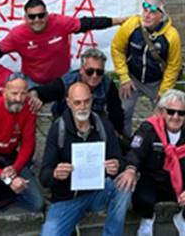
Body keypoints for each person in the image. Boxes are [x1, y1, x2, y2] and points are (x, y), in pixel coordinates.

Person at [116, 89, 185, 236]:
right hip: (154, 181)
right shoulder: (148, 128)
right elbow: (135, 152)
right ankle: (147, 219)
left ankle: (184, 219)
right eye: (171, 112)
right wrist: (131, 169)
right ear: (162, 112)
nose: (175, 117)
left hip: (183, 182)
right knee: (139, 196)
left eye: (181, 113)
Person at [39, 82, 132, 236]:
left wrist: (117, 165)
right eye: (77, 102)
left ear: (92, 100)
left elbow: (119, 159)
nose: (82, 107)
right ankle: (71, 222)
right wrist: (55, 173)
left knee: (125, 185)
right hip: (67, 199)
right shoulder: (58, 129)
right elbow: (44, 176)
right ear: (68, 103)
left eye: (86, 101)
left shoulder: (103, 124)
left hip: (97, 191)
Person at [0, 73, 44, 236]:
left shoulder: (28, 110)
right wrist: (8, 179)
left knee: (37, 203)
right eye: (14, 93)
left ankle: (5, 194)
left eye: (23, 93)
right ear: (4, 92)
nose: (18, 98)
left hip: (10, 157)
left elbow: (28, 145)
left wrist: (15, 168)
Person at [0, 0, 124, 85]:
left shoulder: (59, 23)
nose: (37, 19)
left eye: (41, 15)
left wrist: (119, 21)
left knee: (68, 110)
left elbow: (87, 23)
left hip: (63, 79)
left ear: (47, 15)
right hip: (33, 82)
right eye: (32, 16)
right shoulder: (17, 34)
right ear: (25, 18)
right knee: (26, 112)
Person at [111, 0, 183, 135]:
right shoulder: (131, 24)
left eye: (152, 12)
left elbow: (173, 66)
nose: (147, 15)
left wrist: (163, 91)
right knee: (123, 112)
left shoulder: (172, 35)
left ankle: (160, 144)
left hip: (157, 81)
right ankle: (124, 143)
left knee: (163, 116)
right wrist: (124, 77)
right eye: (145, 10)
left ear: (162, 16)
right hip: (133, 77)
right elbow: (117, 48)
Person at [27, 47, 125, 137]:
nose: (94, 76)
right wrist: (35, 96)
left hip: (93, 124)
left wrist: (116, 133)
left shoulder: (107, 84)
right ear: (81, 70)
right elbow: (42, 92)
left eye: (99, 72)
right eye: (90, 71)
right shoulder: (65, 82)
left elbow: (116, 112)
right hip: (65, 125)